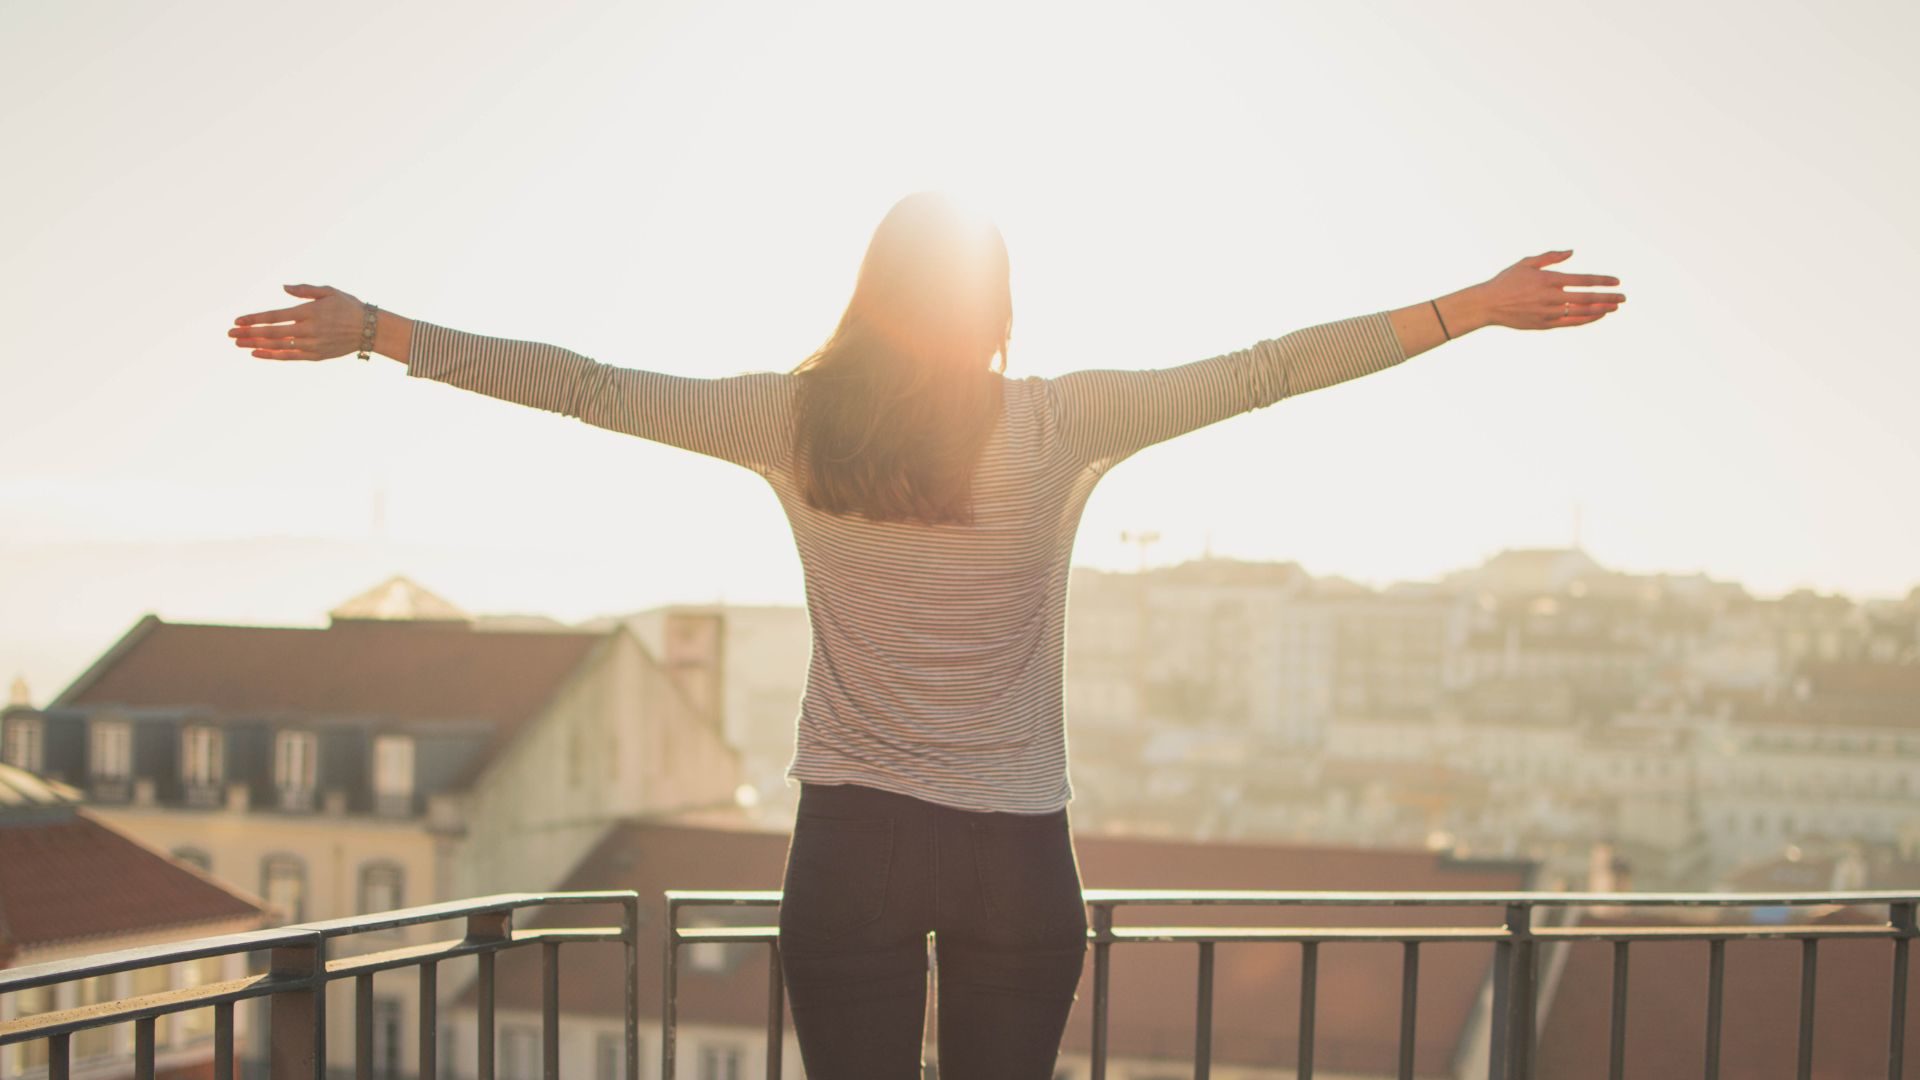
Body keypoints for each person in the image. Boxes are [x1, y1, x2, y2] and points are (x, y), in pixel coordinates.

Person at [229, 191, 1623, 1078]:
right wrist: (1472, 312)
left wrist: (382, 332)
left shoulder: (789, 419)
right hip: (1018, 851)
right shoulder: (1059, 421)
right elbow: (1262, 374)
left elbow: (592, 388)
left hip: (849, 848)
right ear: (999, 307)